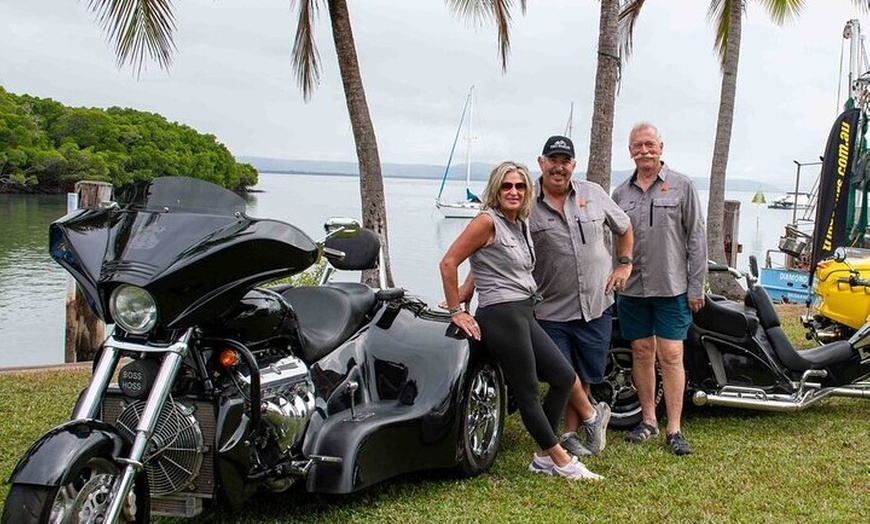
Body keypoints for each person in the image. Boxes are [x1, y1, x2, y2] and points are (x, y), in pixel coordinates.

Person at [439, 160, 603, 480]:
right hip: (500, 315)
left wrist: (470, 287)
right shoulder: (486, 221)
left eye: (520, 186)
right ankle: (562, 461)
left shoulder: (520, 223)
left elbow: (485, 261)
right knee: (527, 391)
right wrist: (457, 310)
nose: (513, 192)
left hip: (524, 311)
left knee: (563, 377)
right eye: (506, 186)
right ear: (496, 189)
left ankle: (543, 456)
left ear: (527, 191)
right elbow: (449, 262)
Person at [530, 135, 634, 457]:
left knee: (585, 374)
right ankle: (593, 416)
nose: (559, 167)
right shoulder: (525, 200)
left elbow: (625, 227)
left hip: (596, 303)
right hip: (550, 308)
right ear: (542, 162)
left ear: (573, 164)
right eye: (553, 160)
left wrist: (624, 265)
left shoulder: (593, 193)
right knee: (563, 373)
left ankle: (571, 434)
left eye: (566, 160)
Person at [611, 121, 708, 456]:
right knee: (640, 352)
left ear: (661, 147)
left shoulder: (682, 186)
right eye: (638, 146)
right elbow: (614, 242)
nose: (644, 151)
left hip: (672, 288)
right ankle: (648, 421)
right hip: (633, 290)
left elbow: (697, 239)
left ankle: (674, 429)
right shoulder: (620, 193)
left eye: (650, 144)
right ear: (630, 151)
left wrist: (696, 287)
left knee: (671, 354)